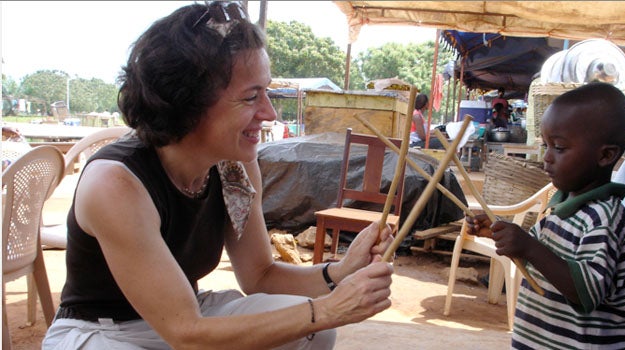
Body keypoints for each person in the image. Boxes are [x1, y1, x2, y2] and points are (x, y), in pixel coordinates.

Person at [42, 2, 394, 349]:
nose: (269, 112)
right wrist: (330, 309)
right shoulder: (116, 184)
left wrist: (340, 272)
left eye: (266, 93)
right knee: (315, 319)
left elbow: (260, 276)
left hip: (187, 315)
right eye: (251, 97)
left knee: (313, 330)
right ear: (189, 102)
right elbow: (186, 334)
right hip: (100, 332)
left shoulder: (234, 168)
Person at [467, 82, 625, 348]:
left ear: (605, 155)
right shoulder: (559, 208)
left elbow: (586, 293)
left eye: (558, 148)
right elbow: (538, 260)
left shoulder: (603, 218)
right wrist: (497, 231)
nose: (546, 157)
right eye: (546, 145)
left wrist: (527, 246)